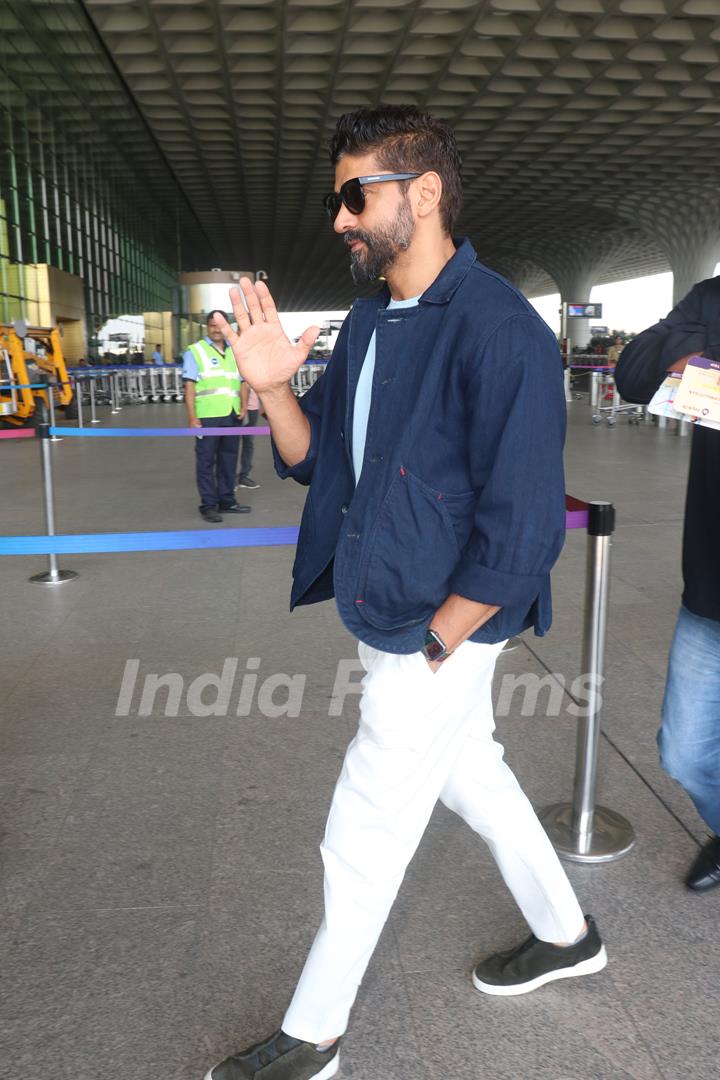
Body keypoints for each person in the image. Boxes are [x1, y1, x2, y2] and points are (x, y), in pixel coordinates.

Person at [203, 106, 606, 1080]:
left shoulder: (500, 330)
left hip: (440, 631)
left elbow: (520, 532)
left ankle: (315, 1033)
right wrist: (269, 389)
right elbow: (317, 467)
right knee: (475, 775)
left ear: (422, 195)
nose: (340, 216)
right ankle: (566, 934)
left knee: (365, 823)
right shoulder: (376, 320)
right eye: (337, 198)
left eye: (357, 195)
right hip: (387, 608)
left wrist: (434, 645)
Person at [615, 280, 720, 894]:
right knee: (684, 751)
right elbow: (634, 374)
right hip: (712, 588)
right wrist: (706, 365)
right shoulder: (711, 300)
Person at [183, 310, 251, 523]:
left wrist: (244, 406)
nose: (216, 329)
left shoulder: (235, 351)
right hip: (207, 416)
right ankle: (209, 505)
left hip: (232, 414)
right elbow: (189, 387)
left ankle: (227, 500)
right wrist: (192, 417)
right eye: (212, 325)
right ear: (207, 327)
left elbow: (242, 381)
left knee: (229, 459)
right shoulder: (195, 351)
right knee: (206, 461)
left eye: (220, 325)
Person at [237, 380, 261, 489]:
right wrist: (244, 407)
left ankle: (243, 475)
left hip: (251, 407)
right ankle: (235, 477)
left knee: (247, 443)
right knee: (232, 443)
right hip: (240, 407)